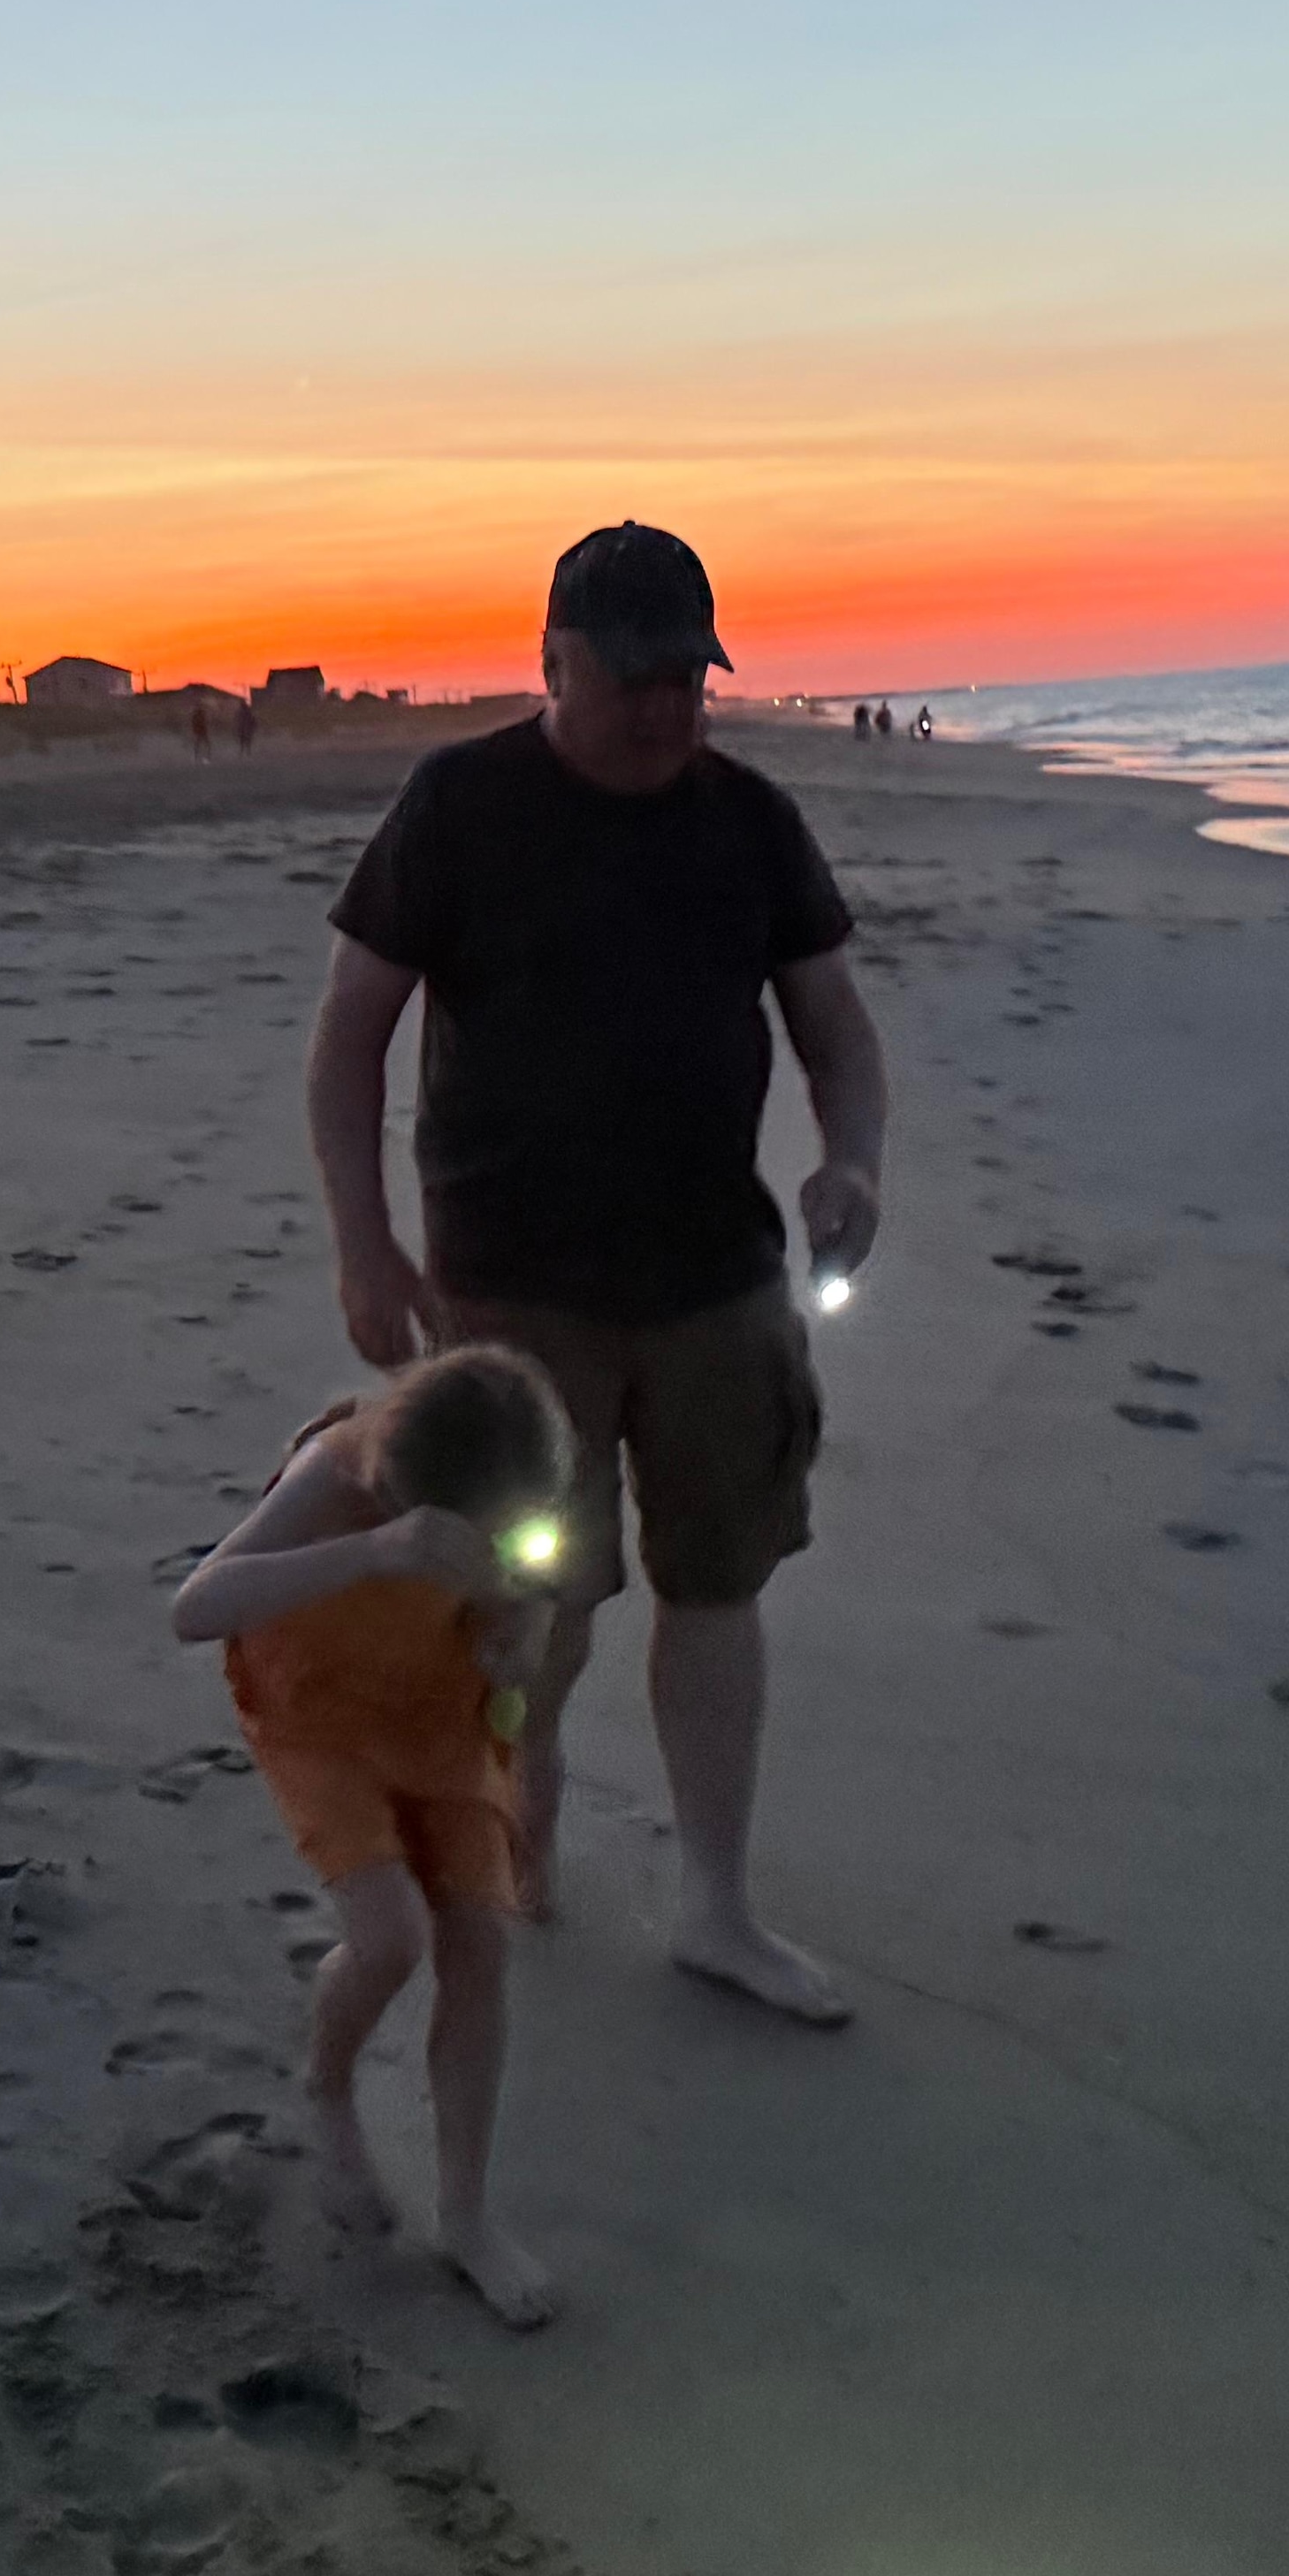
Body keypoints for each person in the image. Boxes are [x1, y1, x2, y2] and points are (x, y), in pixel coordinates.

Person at [305, 520, 886, 2025]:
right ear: (553, 661)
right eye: (633, 676)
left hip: (717, 1281)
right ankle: (527, 1791)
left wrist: (853, 1161)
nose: (665, 705)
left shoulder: (749, 820)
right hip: (512, 1290)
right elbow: (351, 1032)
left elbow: (836, 1028)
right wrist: (365, 1242)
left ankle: (716, 1907)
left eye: (689, 674)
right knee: (533, 1600)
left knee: (719, 1585)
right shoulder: (461, 806)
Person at [172, 1345, 574, 2327]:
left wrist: (519, 1634)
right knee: (391, 1937)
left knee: (479, 1945)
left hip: (441, 1713)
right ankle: (328, 2082)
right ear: (399, 1488)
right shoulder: (336, 1471)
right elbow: (195, 1607)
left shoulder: (518, 1479)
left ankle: (466, 2216)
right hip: (321, 1717)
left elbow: (535, 1597)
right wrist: (373, 1553)